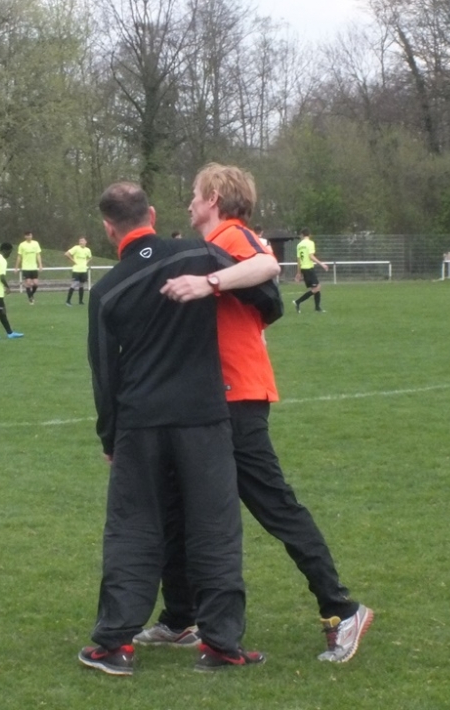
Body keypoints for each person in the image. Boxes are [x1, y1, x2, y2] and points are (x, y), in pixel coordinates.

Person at [141, 163, 373, 664]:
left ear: (215, 198)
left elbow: (267, 266)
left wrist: (209, 282)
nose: (189, 203)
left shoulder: (231, 234)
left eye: (195, 194)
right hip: (209, 399)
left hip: (238, 397)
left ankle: (342, 608)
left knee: (273, 504)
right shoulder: (210, 243)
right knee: (177, 505)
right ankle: (180, 617)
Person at [79, 181, 281, 677]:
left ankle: (114, 645)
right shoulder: (197, 254)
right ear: (151, 214)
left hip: (140, 423)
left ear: (109, 229)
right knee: (215, 528)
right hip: (204, 417)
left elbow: (104, 374)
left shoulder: (107, 291)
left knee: (133, 528)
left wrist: (110, 439)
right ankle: (221, 644)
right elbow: (267, 295)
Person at [293, 228, 329, 313]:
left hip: (304, 269)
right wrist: (322, 264)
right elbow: (311, 256)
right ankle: (298, 302)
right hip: (309, 268)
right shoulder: (310, 243)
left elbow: (298, 260)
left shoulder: (299, 245)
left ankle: (317, 308)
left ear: (302, 235)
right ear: (309, 235)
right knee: (317, 287)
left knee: (316, 287)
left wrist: (299, 272)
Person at [15, 231, 43, 304]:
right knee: (29, 283)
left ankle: (31, 295)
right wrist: (16, 267)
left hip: (34, 267)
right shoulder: (22, 245)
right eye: (28, 235)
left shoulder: (36, 243)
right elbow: (19, 256)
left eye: (30, 235)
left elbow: (38, 255)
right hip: (26, 267)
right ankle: (30, 299)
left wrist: (40, 265)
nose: (29, 237)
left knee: (36, 284)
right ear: (25, 237)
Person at [65, 237, 93, 306]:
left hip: (83, 270)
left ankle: (80, 301)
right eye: (80, 241)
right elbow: (67, 254)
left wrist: (86, 262)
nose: (81, 242)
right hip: (76, 270)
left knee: (81, 285)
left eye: (82, 241)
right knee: (75, 284)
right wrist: (73, 261)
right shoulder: (76, 248)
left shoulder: (87, 250)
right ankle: (68, 301)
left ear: (85, 242)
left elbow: (90, 257)